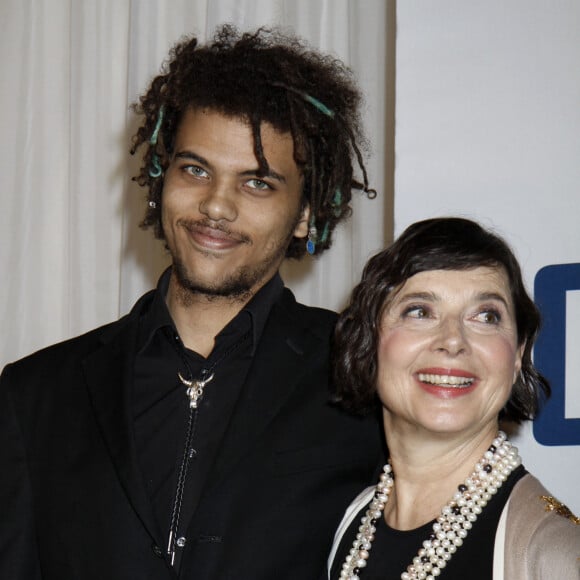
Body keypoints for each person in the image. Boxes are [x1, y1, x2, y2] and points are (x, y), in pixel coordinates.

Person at [0, 25, 384, 579]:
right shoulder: (37, 393)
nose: (216, 206)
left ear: (305, 213)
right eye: (196, 169)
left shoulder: (361, 377)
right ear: (161, 179)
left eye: (257, 183)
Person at [327, 217, 580, 579]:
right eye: (419, 311)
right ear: (369, 343)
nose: (453, 340)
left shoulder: (552, 553)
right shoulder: (353, 521)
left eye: (486, 316)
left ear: (517, 355)